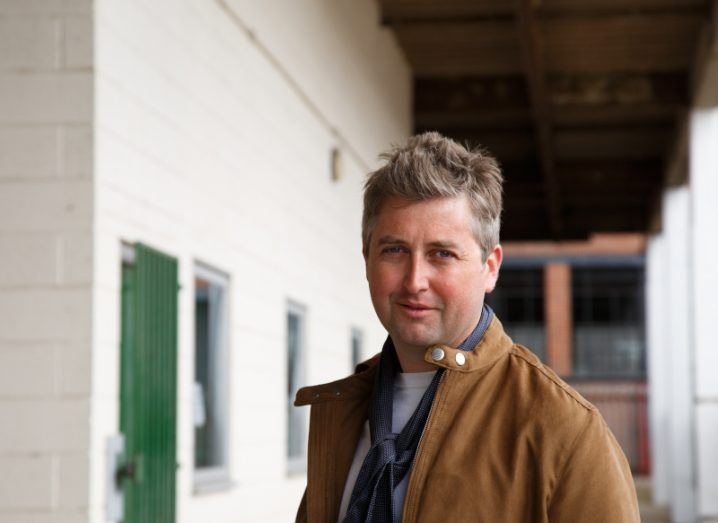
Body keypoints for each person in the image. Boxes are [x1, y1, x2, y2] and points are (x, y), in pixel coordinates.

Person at [294, 132, 640, 522]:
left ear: (489, 268)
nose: (414, 281)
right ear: (366, 257)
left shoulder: (565, 432)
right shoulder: (344, 410)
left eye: (442, 254)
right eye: (394, 250)